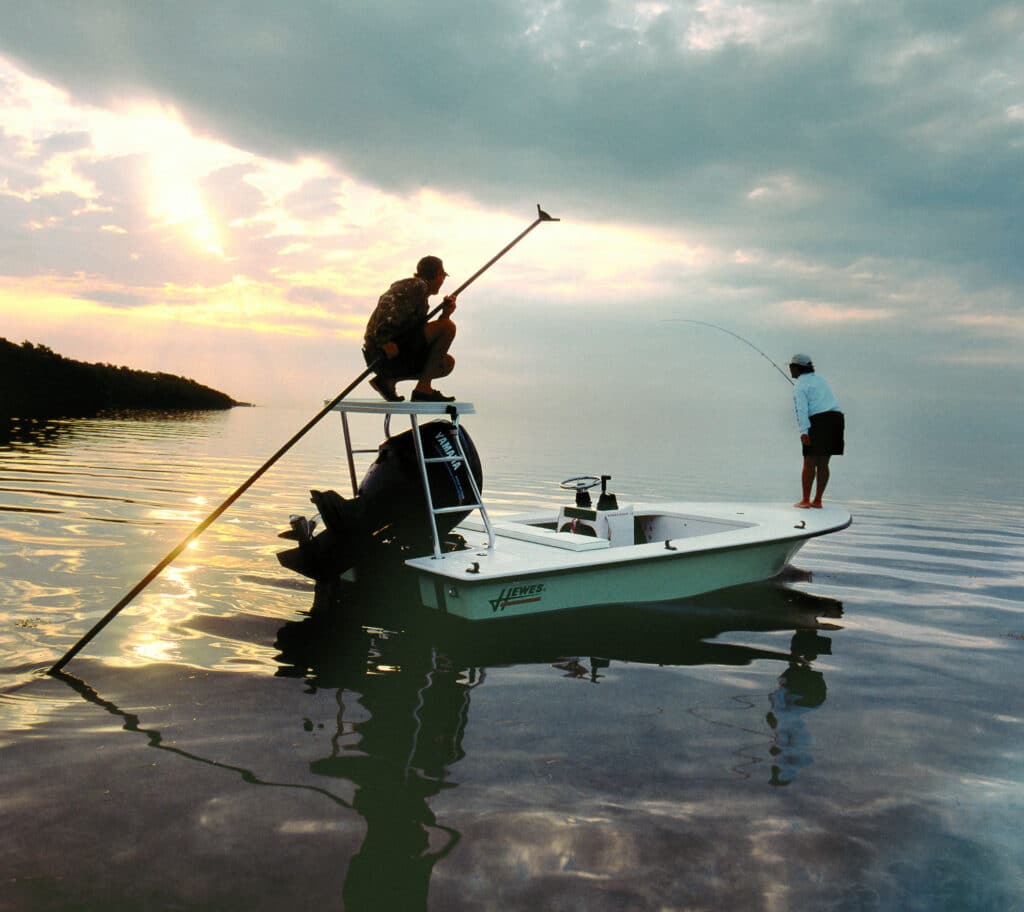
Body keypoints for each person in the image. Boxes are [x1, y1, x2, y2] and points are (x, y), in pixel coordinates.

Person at [363, 255, 458, 403]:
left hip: (394, 352)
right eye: (442, 275)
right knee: (448, 327)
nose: (443, 281)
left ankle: (388, 380)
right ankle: (423, 390)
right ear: (436, 274)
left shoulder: (421, 296)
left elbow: (428, 342)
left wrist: (445, 314)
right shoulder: (416, 286)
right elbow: (387, 303)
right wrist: (384, 340)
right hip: (382, 352)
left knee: (445, 364)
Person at [789, 353, 844, 508]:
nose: (790, 370)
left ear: (796, 368)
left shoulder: (799, 385)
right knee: (823, 463)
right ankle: (818, 500)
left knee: (809, 462)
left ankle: (805, 500)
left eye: (791, 367)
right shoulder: (820, 379)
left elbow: (801, 410)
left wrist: (803, 432)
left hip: (819, 421)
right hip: (836, 419)